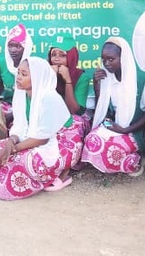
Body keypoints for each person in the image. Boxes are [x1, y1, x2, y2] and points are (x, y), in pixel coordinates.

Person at [0, 58, 69, 200]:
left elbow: (42, 138)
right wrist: (9, 143)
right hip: (29, 139)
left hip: (52, 143)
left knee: (25, 159)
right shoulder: (22, 95)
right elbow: (19, 127)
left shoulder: (50, 98)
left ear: (37, 77)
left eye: (24, 74)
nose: (18, 77)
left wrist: (12, 149)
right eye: (18, 73)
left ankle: (54, 177)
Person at [81, 38, 145, 176]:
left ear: (123, 58)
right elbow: (101, 109)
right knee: (91, 140)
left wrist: (126, 129)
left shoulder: (142, 78)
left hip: (134, 129)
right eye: (103, 59)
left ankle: (133, 161)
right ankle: (119, 162)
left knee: (113, 148)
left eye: (111, 59)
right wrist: (97, 85)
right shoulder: (106, 77)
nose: (106, 63)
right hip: (113, 125)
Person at [47, 35, 90, 186]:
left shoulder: (81, 76)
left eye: (62, 55)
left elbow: (74, 110)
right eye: (53, 55)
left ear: (71, 57)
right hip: (51, 116)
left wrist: (67, 81)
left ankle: (64, 170)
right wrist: (49, 78)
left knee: (71, 128)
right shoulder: (45, 73)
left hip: (73, 117)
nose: (57, 59)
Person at [0, 23, 33, 115]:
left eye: (18, 46)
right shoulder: (2, 63)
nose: (13, 50)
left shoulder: (32, 65)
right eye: (10, 46)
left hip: (27, 107)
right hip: (8, 104)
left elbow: (35, 97)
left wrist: (14, 115)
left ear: (25, 47)